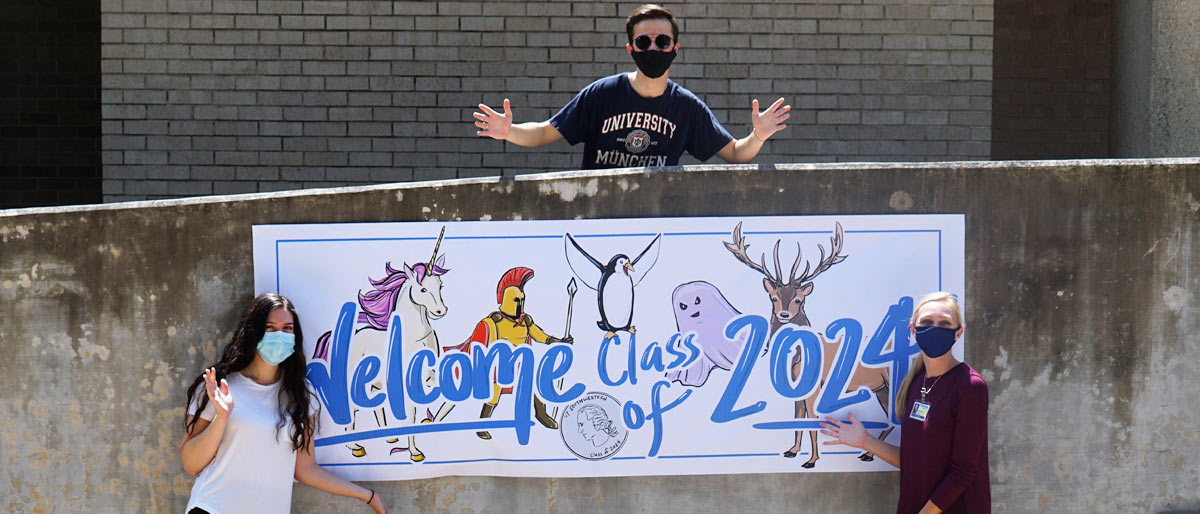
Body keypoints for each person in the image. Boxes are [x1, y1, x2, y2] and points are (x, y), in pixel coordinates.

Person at [473, 4, 790, 170]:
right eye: (643, 41)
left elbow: (735, 153)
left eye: (662, 41)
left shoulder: (686, 107)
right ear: (630, 49)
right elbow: (545, 132)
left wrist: (758, 136)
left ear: (675, 48)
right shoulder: (602, 95)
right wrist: (509, 131)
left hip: (655, 222)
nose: (653, 48)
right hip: (596, 217)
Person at [179, 293, 387, 514]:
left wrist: (368, 496)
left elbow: (306, 469)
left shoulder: (302, 394)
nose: (280, 335)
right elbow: (191, 464)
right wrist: (221, 418)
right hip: (213, 509)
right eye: (270, 327)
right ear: (253, 332)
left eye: (287, 328)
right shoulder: (219, 385)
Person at [819, 292, 990, 514]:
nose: (935, 328)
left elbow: (962, 473)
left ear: (959, 333)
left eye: (944, 323)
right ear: (913, 329)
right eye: (927, 322)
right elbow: (914, 461)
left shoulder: (970, 386)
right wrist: (865, 441)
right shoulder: (916, 382)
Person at [445, 267, 573, 439]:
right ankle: (482, 425)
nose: (520, 304)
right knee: (494, 395)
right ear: (504, 300)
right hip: (500, 366)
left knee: (533, 385)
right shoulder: (493, 322)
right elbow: (481, 346)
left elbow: (541, 336)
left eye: (522, 300)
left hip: (521, 364)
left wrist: (559, 342)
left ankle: (541, 413)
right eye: (515, 300)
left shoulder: (525, 321)